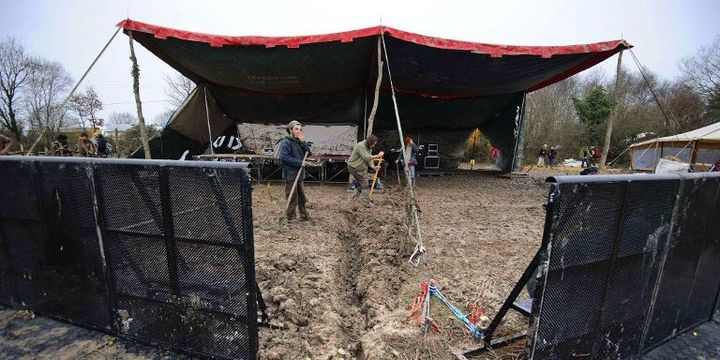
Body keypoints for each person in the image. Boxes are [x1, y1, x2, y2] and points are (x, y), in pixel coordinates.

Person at [278, 120, 312, 222]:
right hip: (291, 174)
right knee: (292, 196)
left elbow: (308, 153)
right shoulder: (285, 142)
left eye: (300, 129)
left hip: (300, 174)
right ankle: (291, 217)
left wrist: (303, 143)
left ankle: (304, 215)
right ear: (290, 130)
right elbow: (284, 157)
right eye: (296, 129)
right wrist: (299, 162)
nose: (299, 131)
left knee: (302, 197)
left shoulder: (299, 142)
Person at [347, 134, 384, 204]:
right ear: (370, 142)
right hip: (354, 167)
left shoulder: (369, 148)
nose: (374, 145)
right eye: (374, 144)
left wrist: (374, 167)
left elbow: (369, 160)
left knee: (361, 184)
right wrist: (378, 156)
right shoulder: (360, 145)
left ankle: (352, 199)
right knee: (365, 184)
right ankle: (364, 202)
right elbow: (366, 157)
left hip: (358, 168)